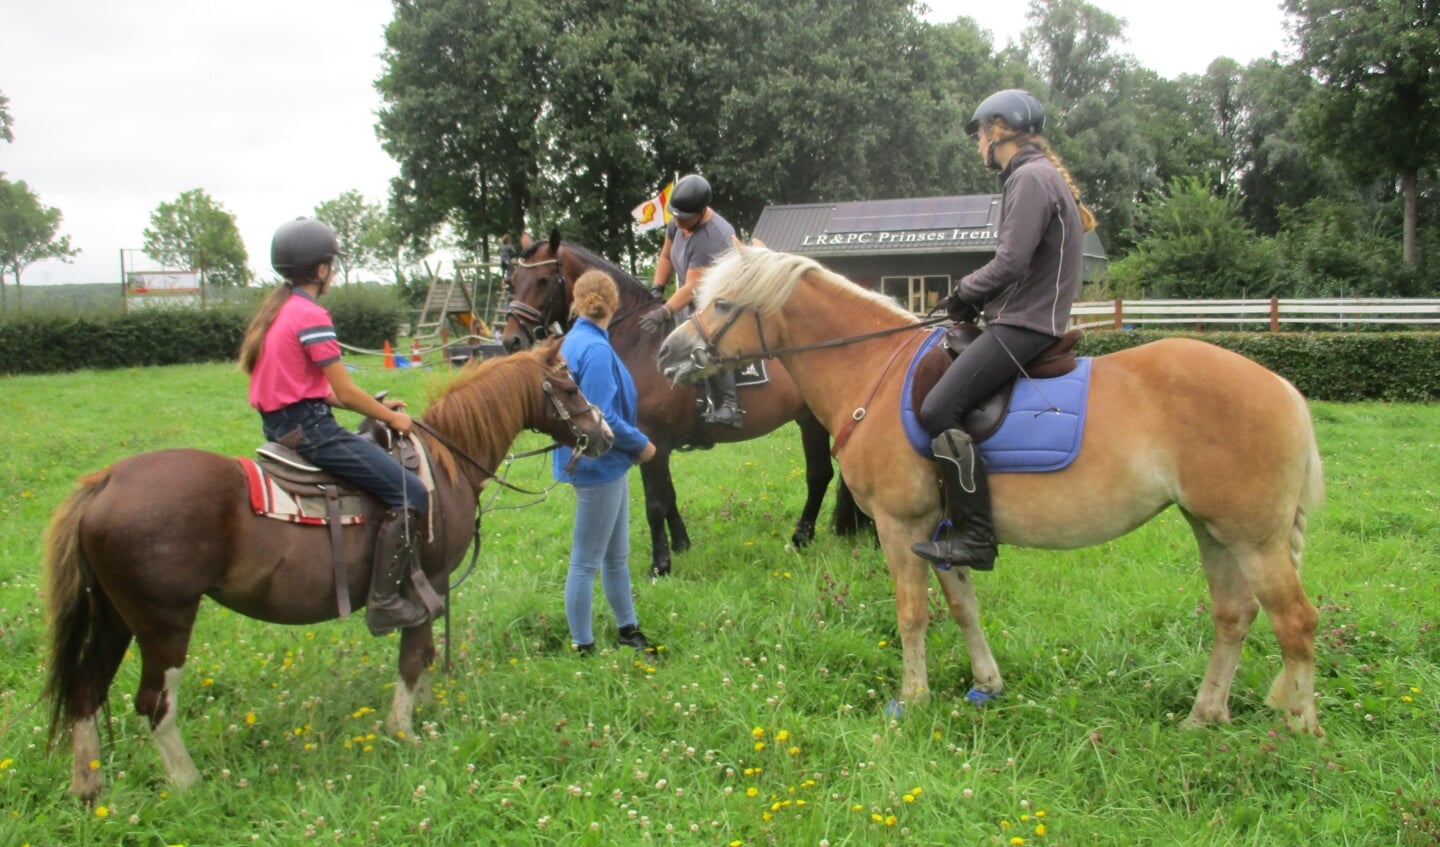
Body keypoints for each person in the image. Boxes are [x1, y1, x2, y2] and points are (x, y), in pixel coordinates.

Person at [912, 89, 1098, 571]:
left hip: (1025, 324)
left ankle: (975, 537)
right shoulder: (1041, 174)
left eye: (978, 134)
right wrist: (976, 301)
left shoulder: (1030, 179)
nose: (977, 145)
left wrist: (964, 291)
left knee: (938, 408)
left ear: (998, 130)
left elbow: (1011, 262)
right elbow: (1028, 264)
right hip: (1028, 315)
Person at [239, 217, 433, 636]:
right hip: (310, 429)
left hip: (281, 424)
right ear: (322, 269)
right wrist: (394, 418)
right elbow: (342, 394)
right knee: (412, 491)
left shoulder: (280, 312)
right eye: (332, 264)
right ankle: (384, 602)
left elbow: (312, 386)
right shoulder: (312, 315)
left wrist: (376, 406)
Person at [556, 269, 659, 654]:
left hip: (602, 462)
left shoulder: (575, 340)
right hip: (599, 461)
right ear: (614, 305)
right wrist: (642, 444)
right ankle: (583, 645)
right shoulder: (596, 349)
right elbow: (603, 417)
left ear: (576, 302)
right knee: (586, 561)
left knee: (616, 556)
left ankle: (628, 628)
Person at [638, 173, 744, 428]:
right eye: (675, 216)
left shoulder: (713, 237)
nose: (676, 221)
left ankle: (730, 405)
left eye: (683, 217)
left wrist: (662, 313)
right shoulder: (679, 222)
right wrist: (656, 288)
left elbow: (692, 287)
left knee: (708, 334)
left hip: (722, 295)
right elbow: (665, 257)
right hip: (692, 291)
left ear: (701, 211)